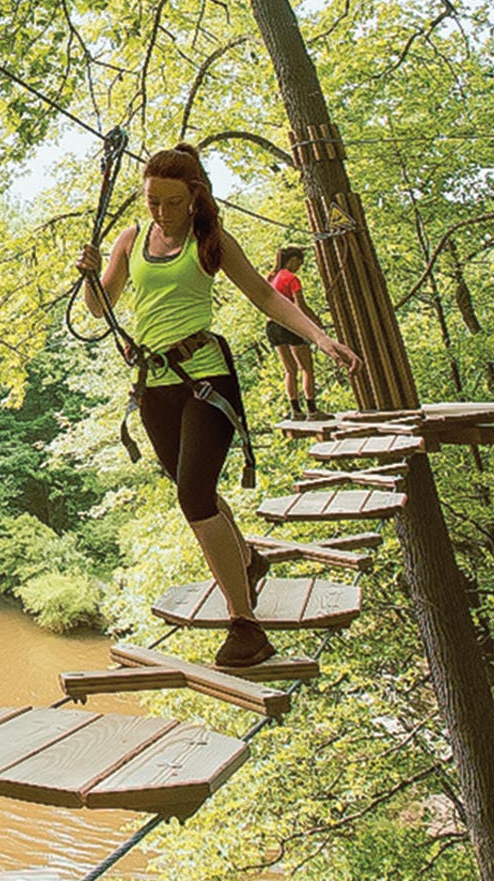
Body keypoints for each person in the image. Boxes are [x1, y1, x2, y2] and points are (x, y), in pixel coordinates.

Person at [76, 144, 360, 668]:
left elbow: (266, 297)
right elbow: (99, 308)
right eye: (152, 200)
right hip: (155, 385)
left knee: (195, 498)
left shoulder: (210, 242)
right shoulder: (132, 239)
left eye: (171, 202)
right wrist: (93, 273)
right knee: (195, 490)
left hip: (207, 379)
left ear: (194, 198)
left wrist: (321, 340)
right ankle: (248, 560)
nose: (159, 211)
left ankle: (245, 625)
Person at [266, 245, 325, 420]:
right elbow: (301, 306)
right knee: (307, 368)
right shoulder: (292, 279)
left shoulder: (272, 277)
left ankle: (295, 411)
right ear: (292, 261)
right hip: (289, 325)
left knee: (289, 370)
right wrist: (316, 323)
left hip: (272, 326)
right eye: (299, 263)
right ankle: (312, 410)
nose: (299, 267)